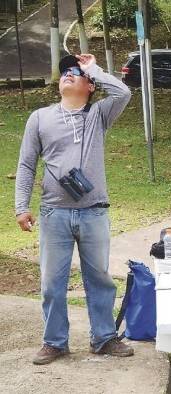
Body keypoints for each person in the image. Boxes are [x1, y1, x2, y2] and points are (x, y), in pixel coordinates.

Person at [15, 54, 133, 365]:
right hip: (55, 213)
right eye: (65, 72)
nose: (68, 74)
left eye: (75, 73)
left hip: (94, 211)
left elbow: (124, 92)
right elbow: (26, 165)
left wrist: (93, 68)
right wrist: (21, 207)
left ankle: (104, 338)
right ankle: (54, 342)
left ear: (90, 86)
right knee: (52, 282)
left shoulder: (98, 115)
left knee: (100, 279)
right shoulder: (39, 118)